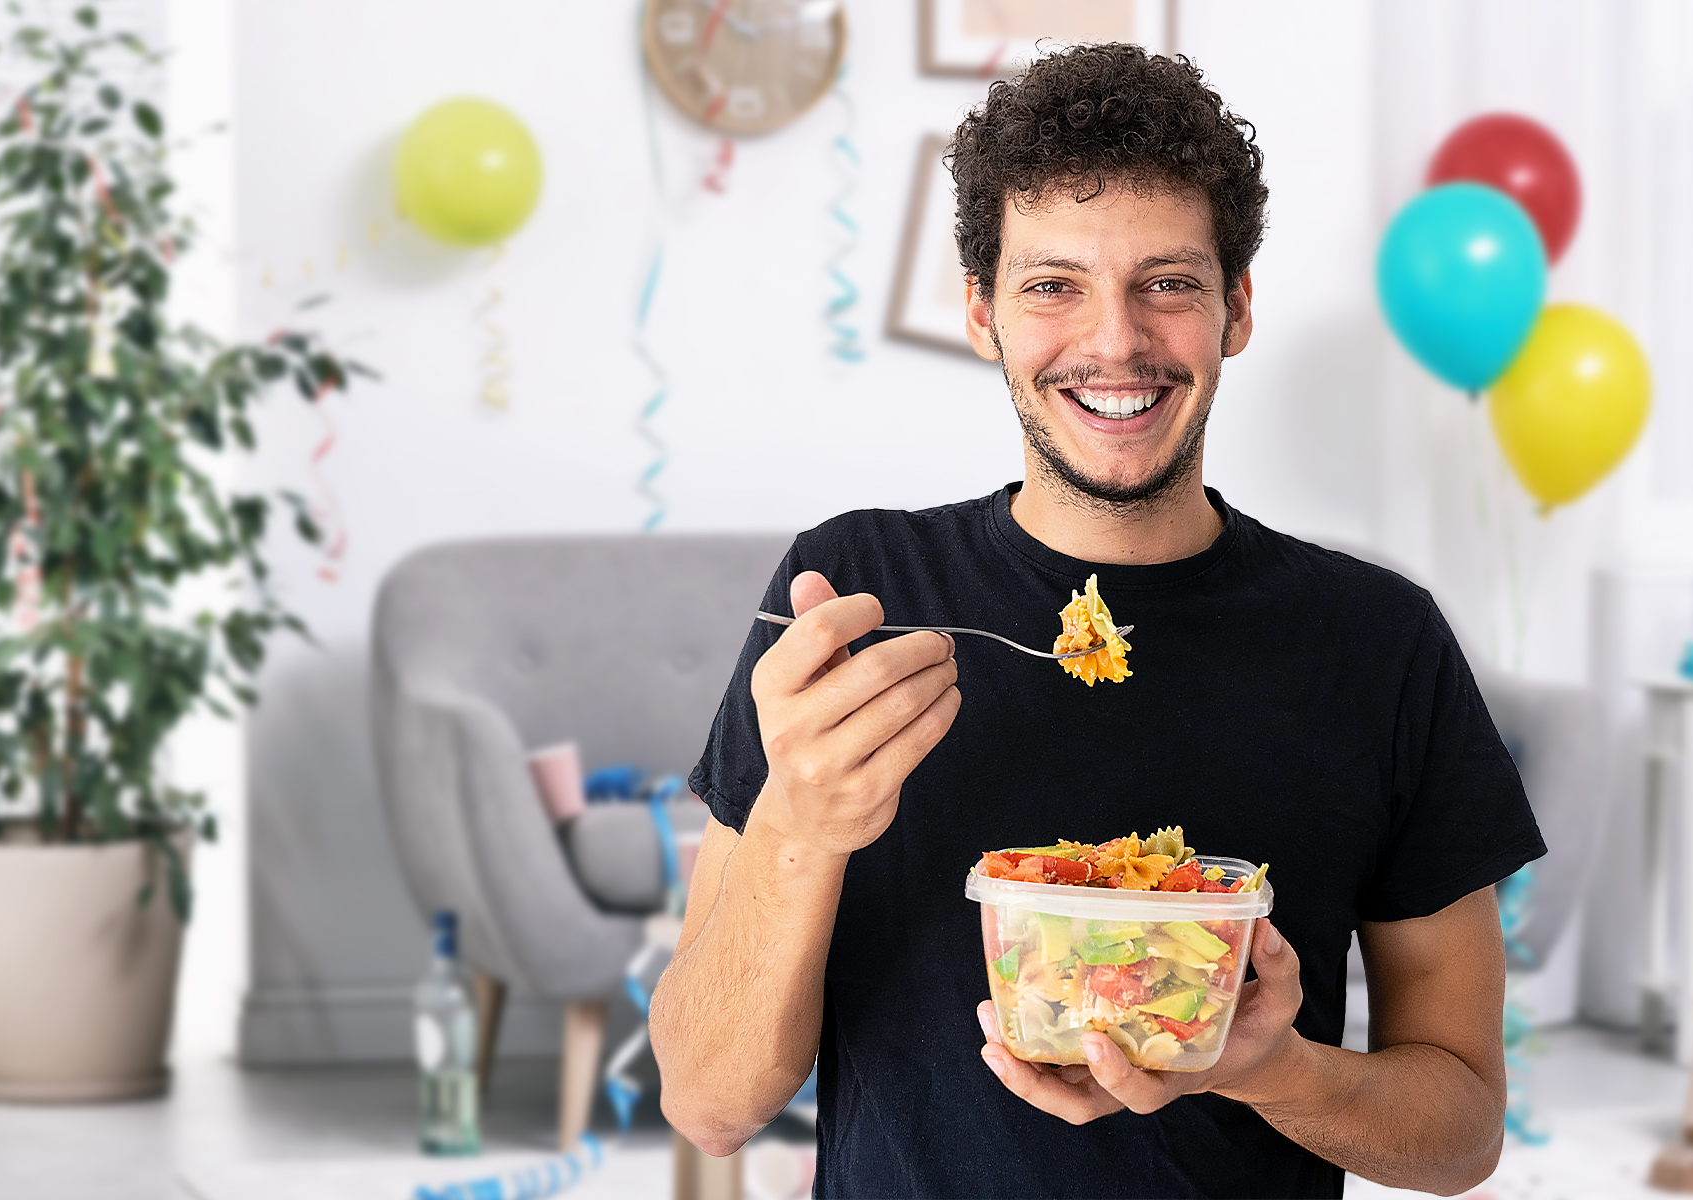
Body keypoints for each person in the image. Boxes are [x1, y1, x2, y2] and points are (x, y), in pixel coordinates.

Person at [650, 44, 1544, 1199]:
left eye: (1168, 282)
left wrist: (1271, 1072)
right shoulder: (852, 594)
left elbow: (1462, 1133)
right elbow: (709, 1104)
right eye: (1052, 284)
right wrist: (803, 823)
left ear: (1238, 308)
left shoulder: (1377, 642)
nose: (1115, 342)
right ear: (982, 312)